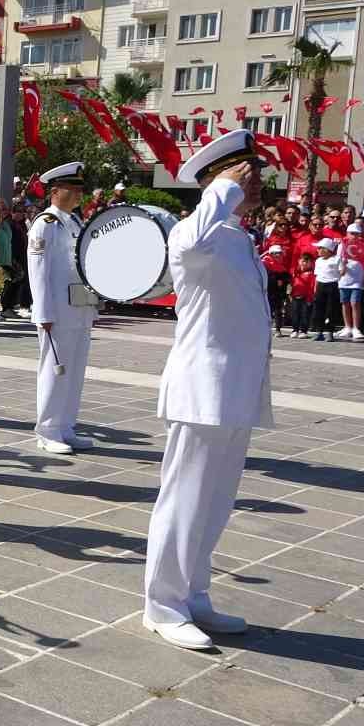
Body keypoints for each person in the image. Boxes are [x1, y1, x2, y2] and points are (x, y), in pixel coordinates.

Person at [144, 129, 271, 651]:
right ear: (221, 177)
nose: (257, 182)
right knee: (185, 497)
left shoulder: (237, 236)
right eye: (248, 172)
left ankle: (194, 594)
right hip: (202, 385)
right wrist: (223, 188)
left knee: (216, 500)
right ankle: (163, 605)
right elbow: (193, 239)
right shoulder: (191, 234)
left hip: (237, 385)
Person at [26, 162, 97, 455]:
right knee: (54, 370)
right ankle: (48, 429)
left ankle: (66, 426)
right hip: (57, 310)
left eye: (80, 188)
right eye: (73, 188)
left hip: (79, 308)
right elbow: (38, 269)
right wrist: (42, 313)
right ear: (55, 191)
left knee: (75, 371)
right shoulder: (46, 223)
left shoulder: (75, 222)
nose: (79, 193)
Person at [338, 222, 364, 340]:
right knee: (345, 303)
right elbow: (338, 260)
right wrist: (341, 269)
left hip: (357, 278)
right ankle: (347, 327)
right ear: (347, 234)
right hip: (344, 278)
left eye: (357, 234)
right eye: (352, 233)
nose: (354, 236)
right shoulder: (342, 245)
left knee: (355, 303)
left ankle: (356, 328)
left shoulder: (363, 246)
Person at [310, 238, 342, 342]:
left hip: (332, 285)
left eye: (320, 248)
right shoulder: (318, 261)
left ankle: (329, 331)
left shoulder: (336, 259)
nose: (318, 250)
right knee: (319, 309)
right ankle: (319, 331)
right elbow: (317, 275)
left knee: (331, 309)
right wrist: (315, 287)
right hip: (321, 285)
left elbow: (341, 271)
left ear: (327, 249)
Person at [289, 252, 316, 338]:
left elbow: (311, 287)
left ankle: (304, 331)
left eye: (307, 261)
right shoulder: (295, 272)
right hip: (295, 296)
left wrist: (310, 298)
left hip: (306, 297)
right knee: (295, 313)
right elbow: (292, 284)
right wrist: (290, 294)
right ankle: (295, 330)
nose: (304, 263)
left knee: (305, 314)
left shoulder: (311, 274)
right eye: (303, 261)